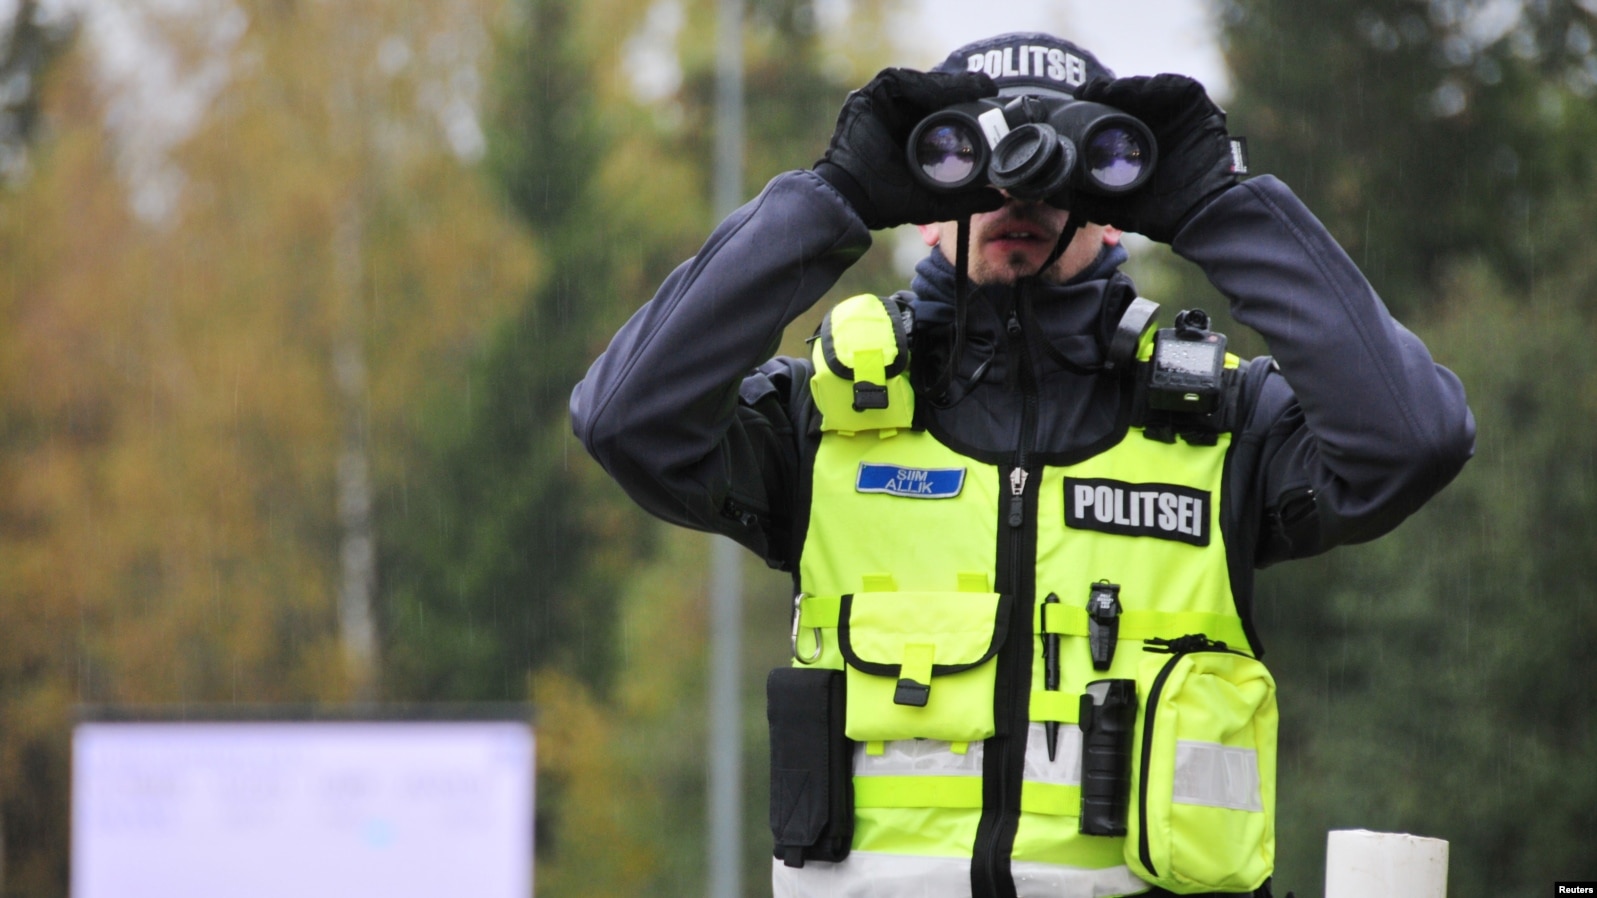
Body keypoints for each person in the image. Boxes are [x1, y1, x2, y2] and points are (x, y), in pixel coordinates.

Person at [570, 31, 1474, 898]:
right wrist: (833, 194)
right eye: (972, 154)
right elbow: (626, 420)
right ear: (926, 211)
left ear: (1116, 211)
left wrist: (1216, 206)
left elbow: (1411, 443)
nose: (1020, 191)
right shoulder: (826, 422)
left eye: (1067, 160)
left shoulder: (1220, 426)